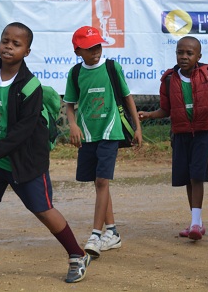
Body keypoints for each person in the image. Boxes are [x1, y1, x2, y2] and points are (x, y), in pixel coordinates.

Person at [0, 22, 91, 284]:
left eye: (16, 44)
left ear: (27, 51)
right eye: (5, 41)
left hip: (25, 160)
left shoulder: (30, 86)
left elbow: (21, 134)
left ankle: (77, 254)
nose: (8, 47)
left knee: (43, 209)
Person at [64, 26, 142, 259]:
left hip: (111, 132)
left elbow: (127, 97)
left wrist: (138, 127)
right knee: (98, 183)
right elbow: (69, 103)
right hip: (88, 134)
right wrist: (73, 125)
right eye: (89, 48)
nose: (95, 51)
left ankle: (96, 235)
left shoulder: (111, 67)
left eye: (98, 46)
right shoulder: (75, 73)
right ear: (78, 51)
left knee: (101, 181)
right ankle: (113, 232)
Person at [139, 36, 208, 240]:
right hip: (180, 134)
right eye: (180, 52)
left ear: (199, 56)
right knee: (186, 177)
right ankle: (197, 222)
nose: (184, 56)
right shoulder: (169, 79)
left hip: (202, 133)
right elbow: (165, 110)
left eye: (189, 53)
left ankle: (194, 223)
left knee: (197, 175)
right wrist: (150, 115)